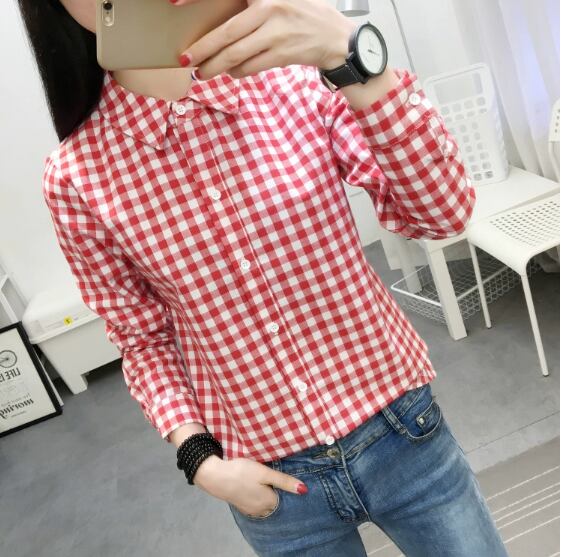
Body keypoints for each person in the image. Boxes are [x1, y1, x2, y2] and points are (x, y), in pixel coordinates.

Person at [18, 0, 510, 555]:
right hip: (271, 484)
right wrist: (199, 460)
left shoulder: (294, 79)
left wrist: (351, 54)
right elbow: (141, 338)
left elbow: (443, 214)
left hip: (401, 429)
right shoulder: (76, 176)